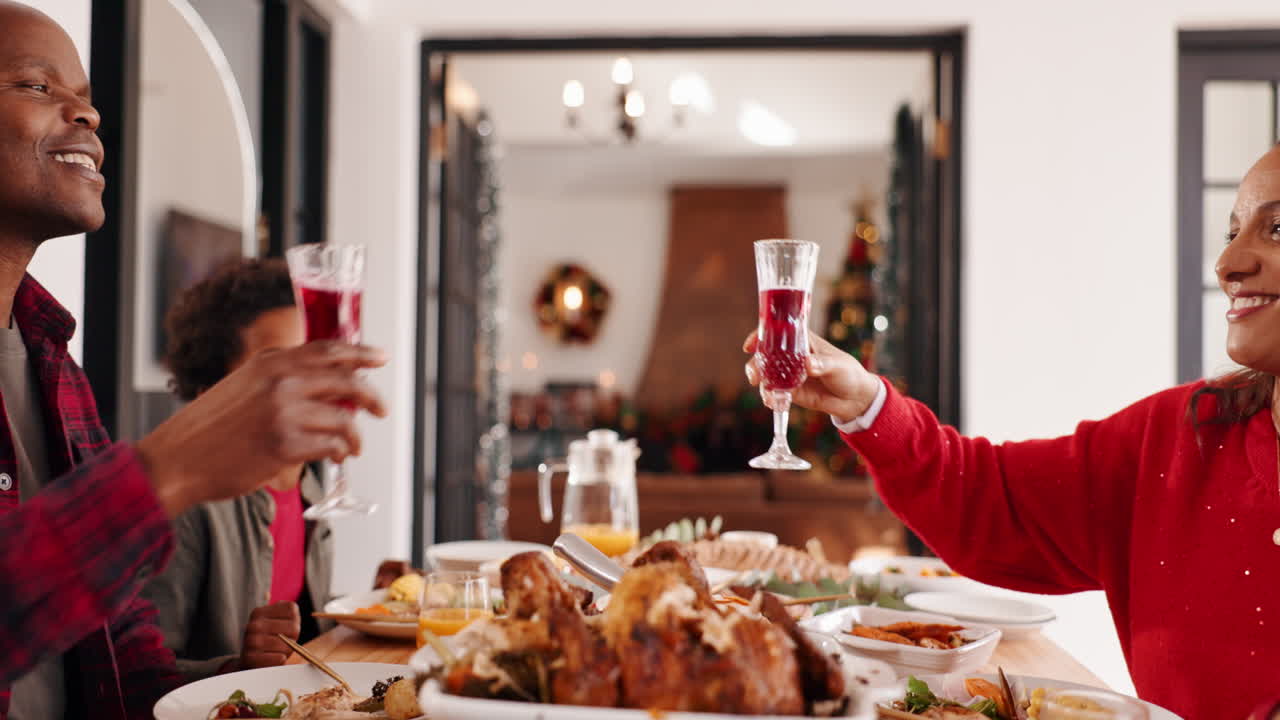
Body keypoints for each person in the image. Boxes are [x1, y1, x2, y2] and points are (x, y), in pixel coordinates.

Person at [743, 145, 1280, 719]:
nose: (1227, 264)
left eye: (1276, 228)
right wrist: (866, 405)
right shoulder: (1179, 439)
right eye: (1231, 232)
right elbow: (990, 499)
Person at [0, 2, 386, 717]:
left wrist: (239, 681)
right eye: (36, 86)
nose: (86, 115)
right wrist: (160, 472)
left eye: (85, 97)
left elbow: (122, 655)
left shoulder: (56, 366)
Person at [142, 259, 415, 679]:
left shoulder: (310, 491)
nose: (307, 382)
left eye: (313, 360)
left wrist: (374, 604)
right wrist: (236, 666)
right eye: (276, 368)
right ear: (212, 392)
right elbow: (132, 679)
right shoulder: (187, 505)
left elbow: (299, 634)